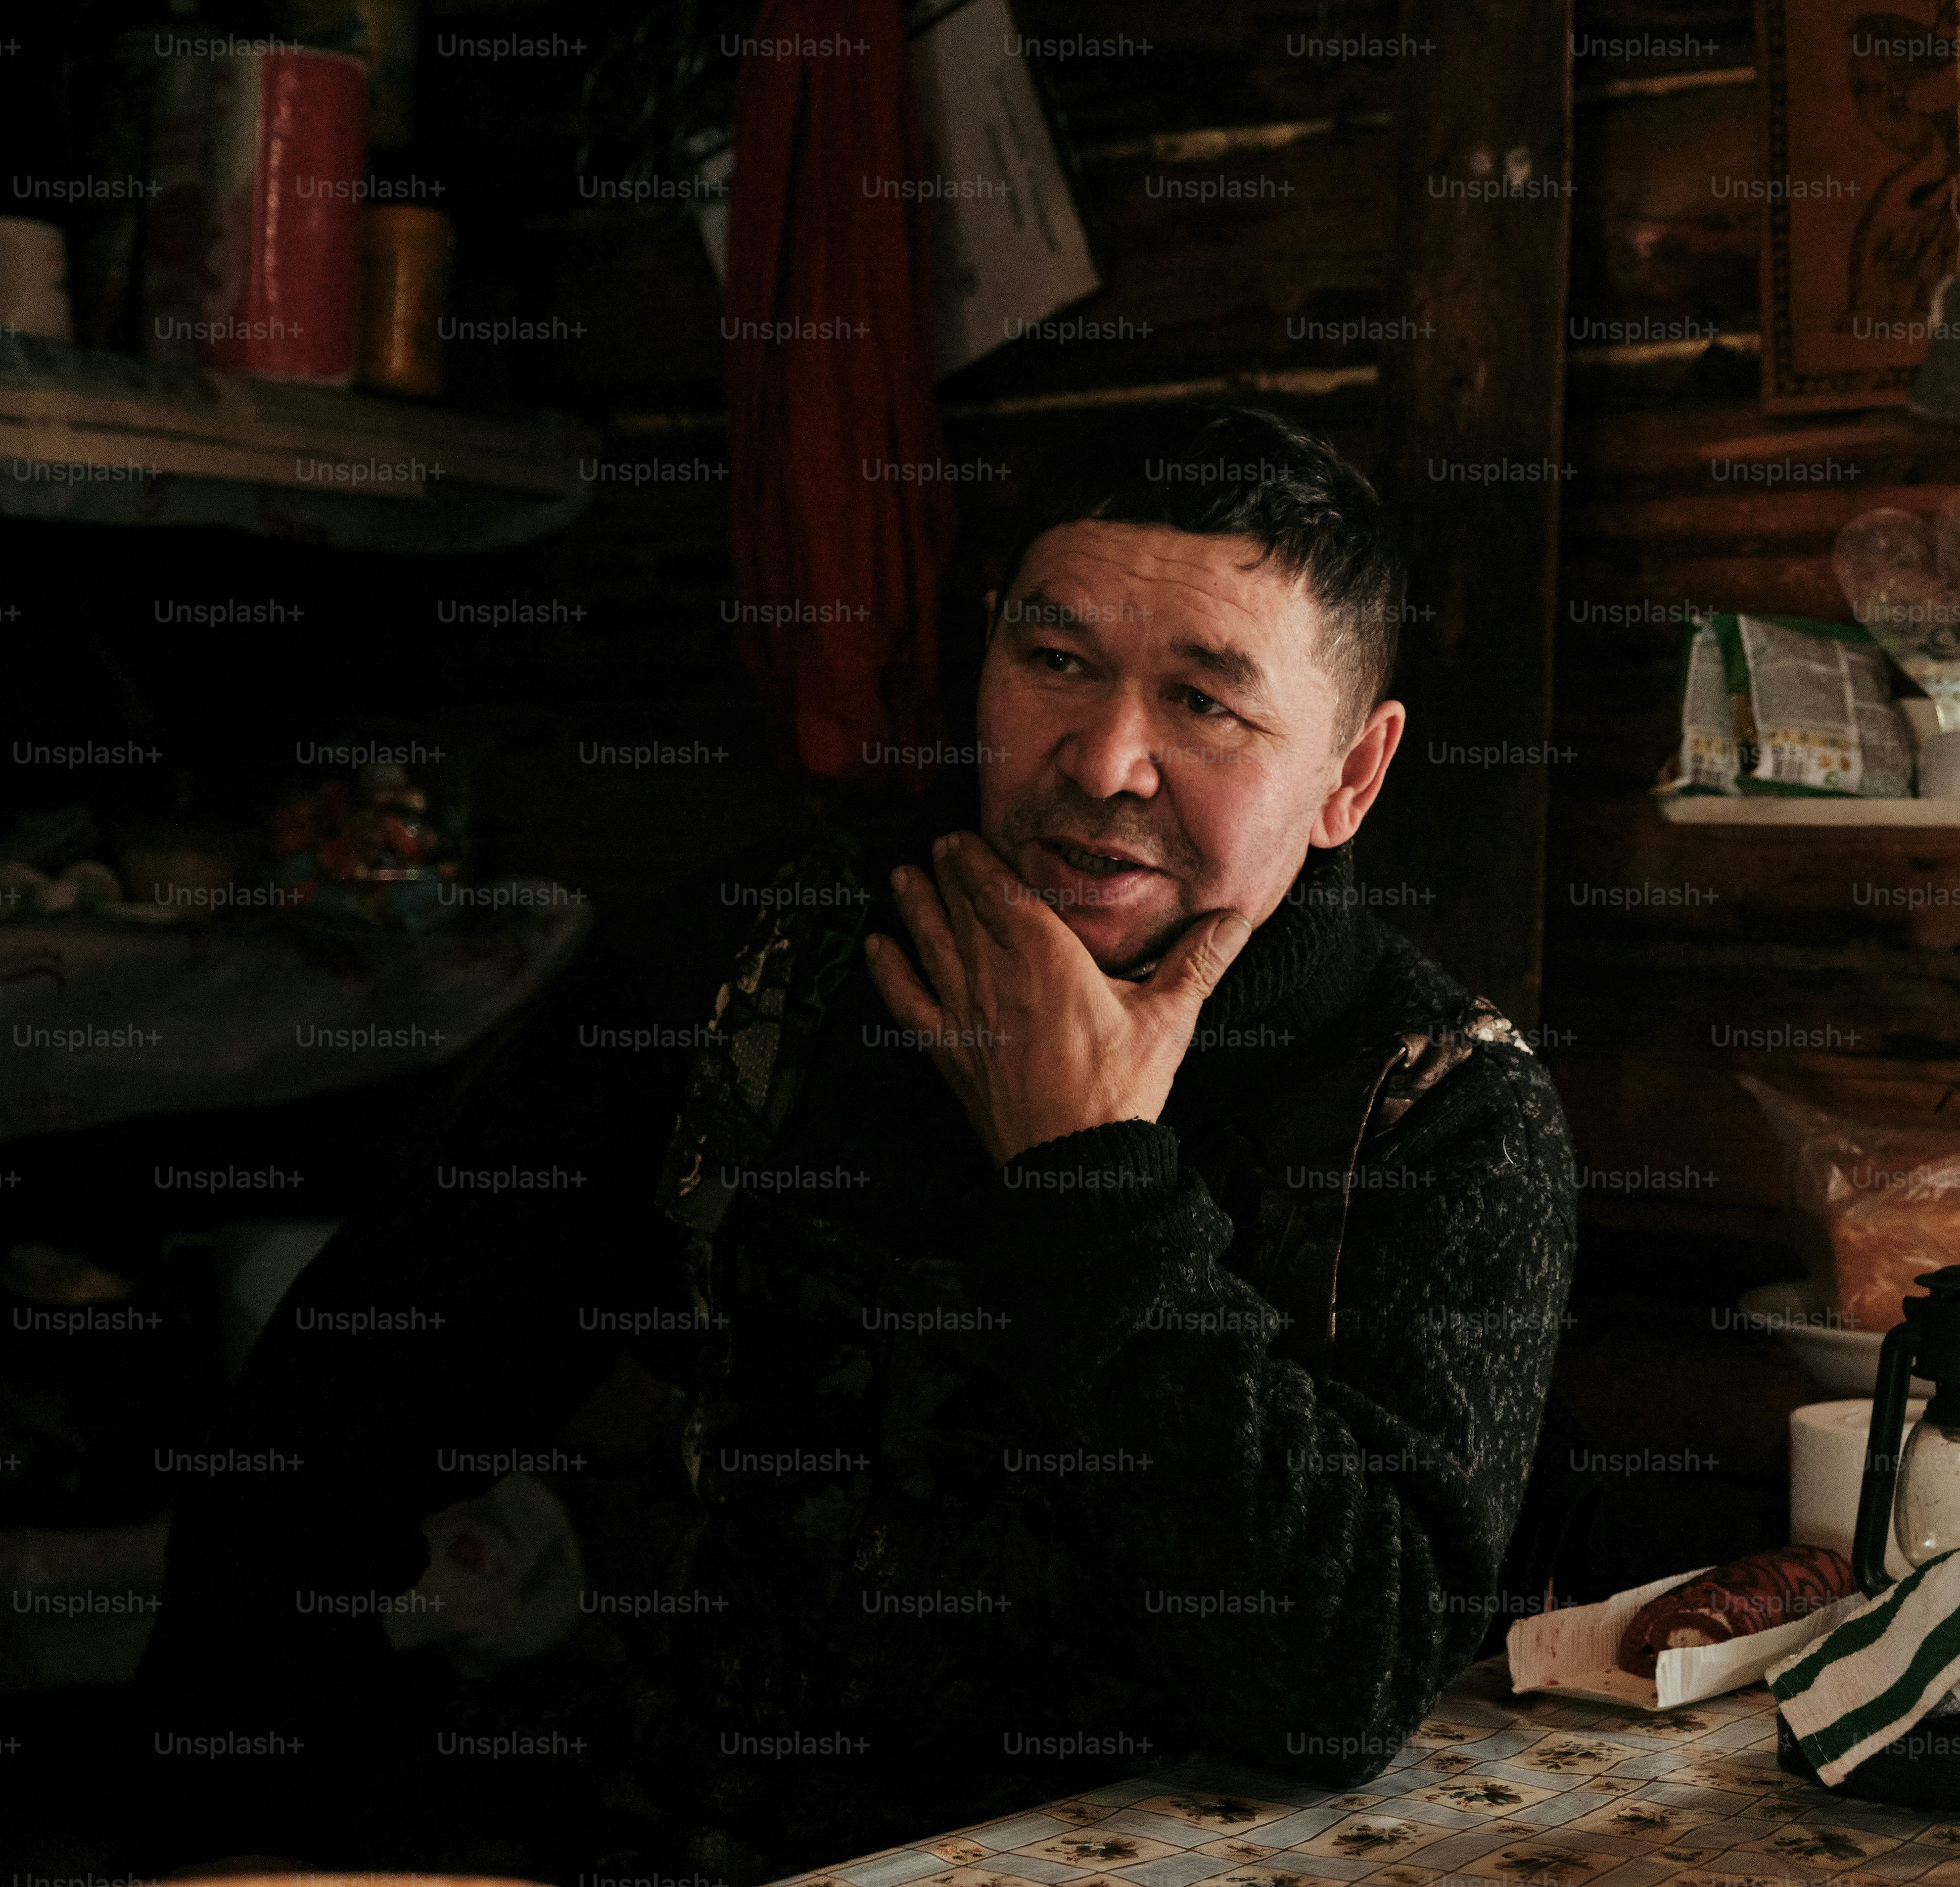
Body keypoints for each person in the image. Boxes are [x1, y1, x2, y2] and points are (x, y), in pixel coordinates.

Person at [141, 404, 1580, 1879]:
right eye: (1054, 661)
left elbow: (1345, 1684)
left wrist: (1086, 1175)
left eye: (1206, 703)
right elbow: (337, 1412)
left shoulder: (1444, 1110)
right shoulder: (772, 969)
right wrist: (273, 1820)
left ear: (1350, 776)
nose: (1103, 764)